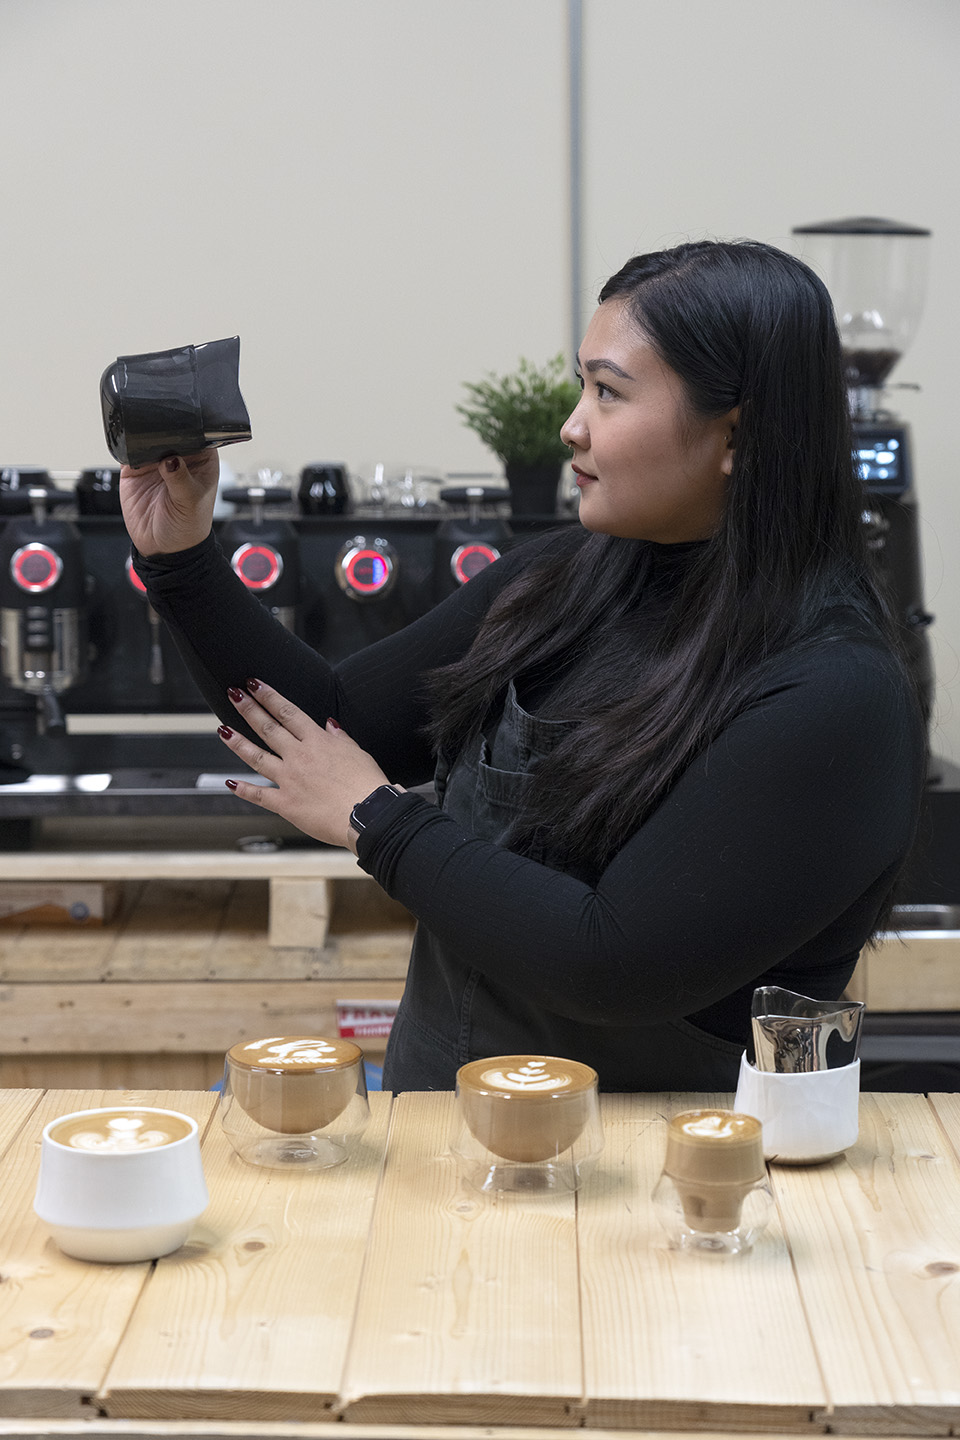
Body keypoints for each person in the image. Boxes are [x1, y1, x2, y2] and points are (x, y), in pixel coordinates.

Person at [119, 239, 925, 1093]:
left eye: (609, 392)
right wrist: (181, 558)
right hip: (441, 1132)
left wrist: (377, 819)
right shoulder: (561, 579)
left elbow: (611, 962)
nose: (572, 424)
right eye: (583, 384)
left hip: (655, 1187)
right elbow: (326, 727)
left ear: (738, 434)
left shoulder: (836, 694)